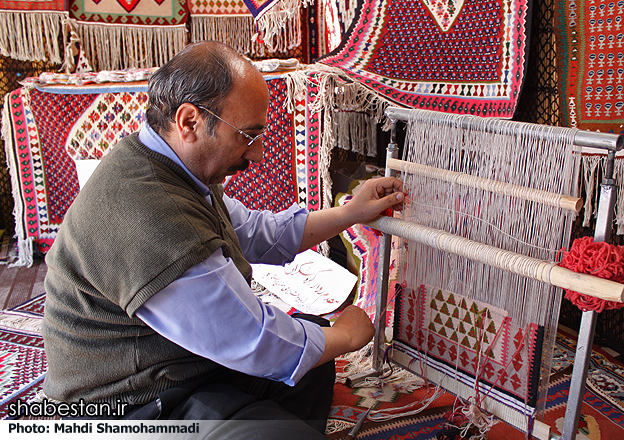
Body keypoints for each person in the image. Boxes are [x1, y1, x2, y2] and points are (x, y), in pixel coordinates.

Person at [42, 41, 404, 439]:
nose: (258, 154)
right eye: (247, 136)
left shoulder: (170, 167)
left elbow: (253, 232)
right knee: (287, 403)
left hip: (176, 368)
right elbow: (250, 339)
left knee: (311, 360)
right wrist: (349, 335)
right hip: (124, 407)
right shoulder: (152, 212)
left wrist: (350, 212)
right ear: (190, 121)